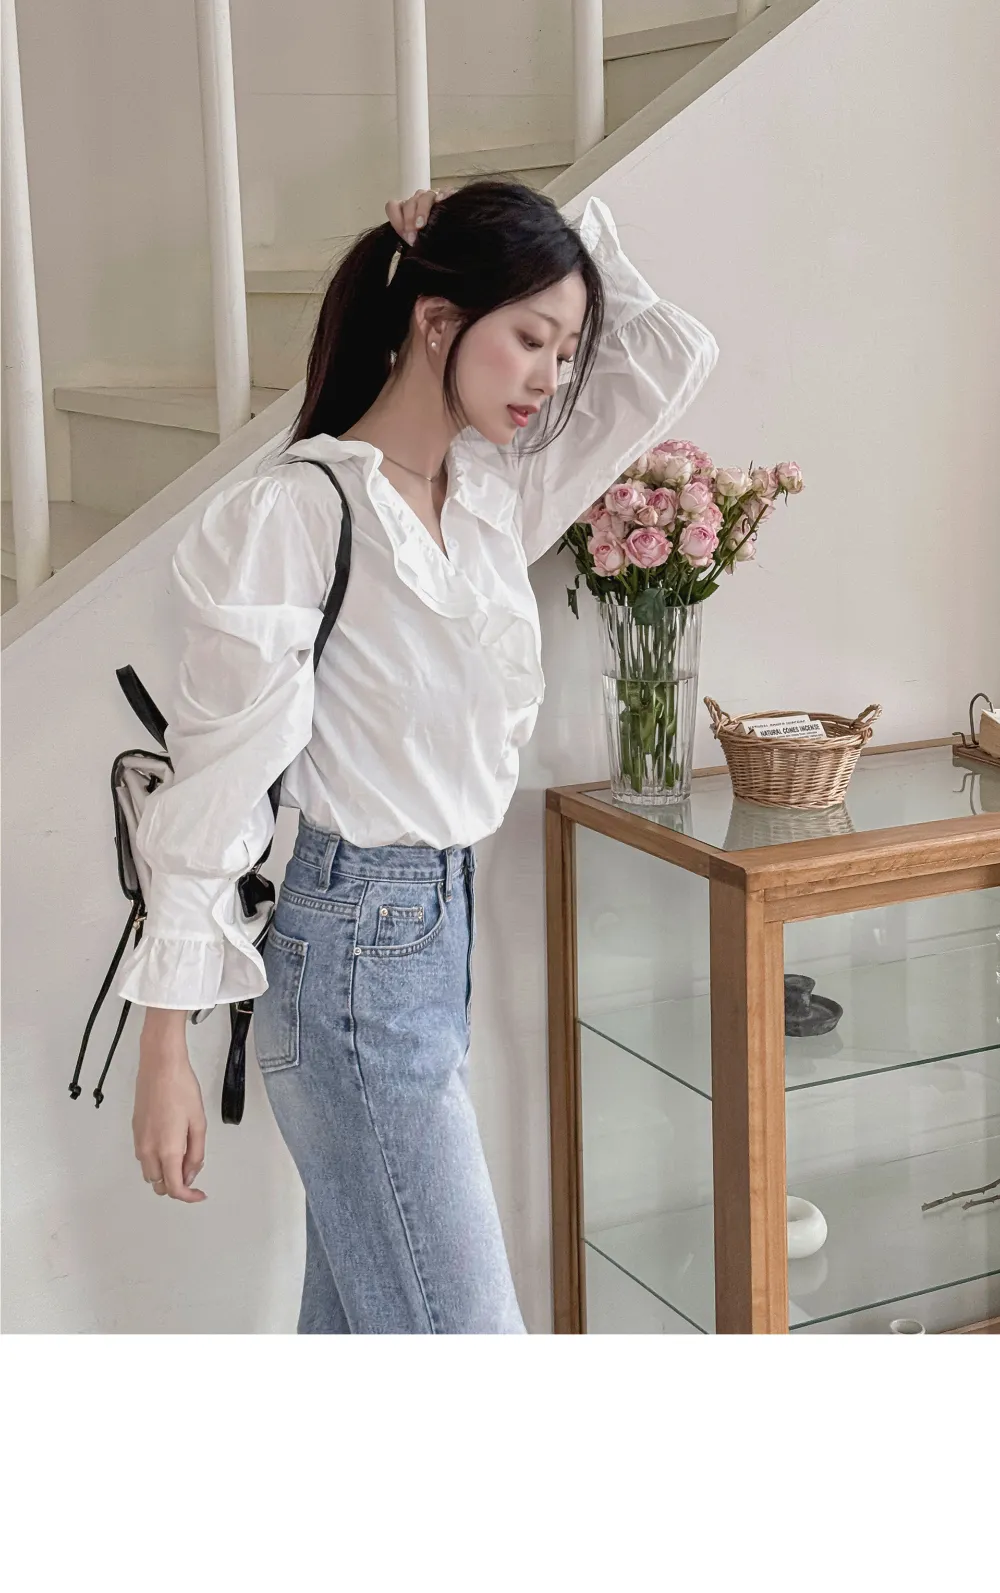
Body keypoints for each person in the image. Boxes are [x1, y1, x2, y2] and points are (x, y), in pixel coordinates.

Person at [119, 178, 719, 1333]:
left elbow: (670, 356)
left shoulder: (490, 496)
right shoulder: (299, 514)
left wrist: (542, 235)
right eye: (528, 339)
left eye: (565, 350)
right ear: (436, 322)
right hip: (352, 956)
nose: (550, 379)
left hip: (433, 939)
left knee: (364, 1330)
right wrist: (163, 1045)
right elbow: (215, 785)